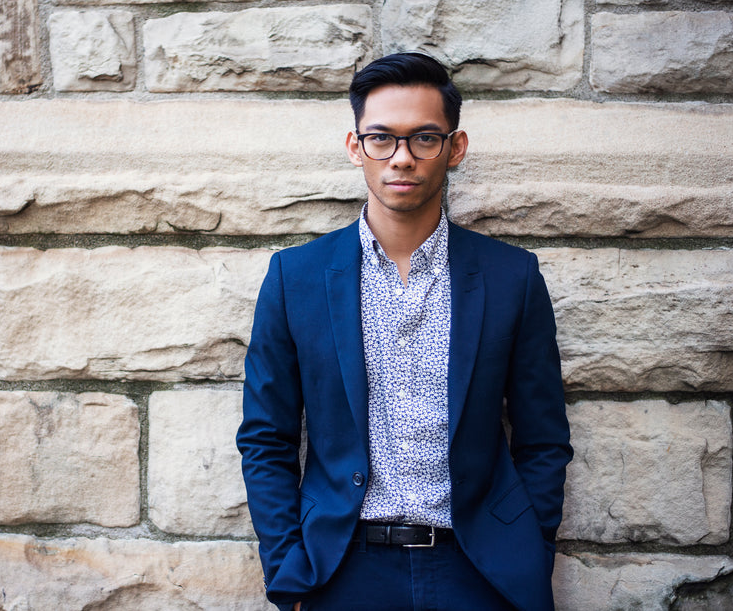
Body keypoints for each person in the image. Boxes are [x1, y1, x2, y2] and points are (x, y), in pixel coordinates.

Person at [236, 52, 572, 611]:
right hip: (341, 569)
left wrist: (528, 551)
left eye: (424, 138)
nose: (402, 158)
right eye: (381, 138)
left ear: (455, 148)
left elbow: (543, 439)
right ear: (355, 146)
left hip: (480, 569)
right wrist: (288, 571)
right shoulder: (296, 278)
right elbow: (266, 439)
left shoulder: (510, 276)